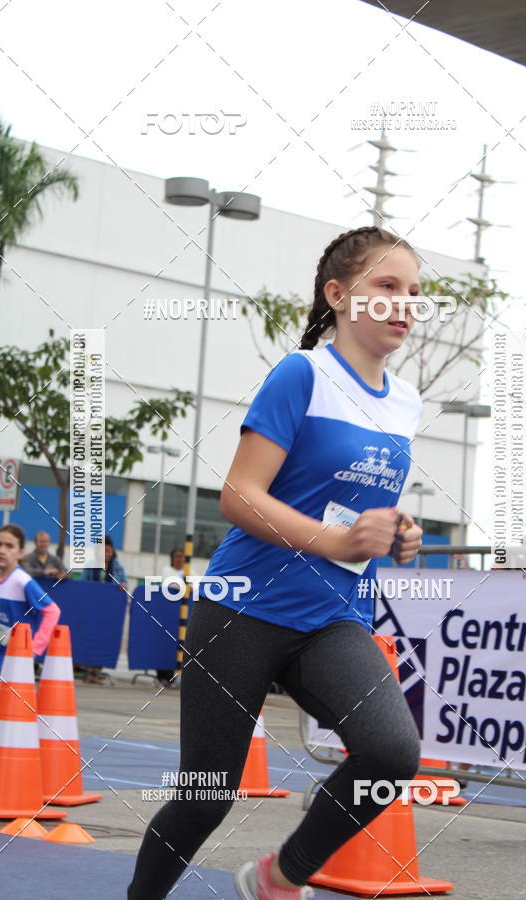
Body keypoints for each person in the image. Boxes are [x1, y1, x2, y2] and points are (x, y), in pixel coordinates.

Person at [127, 226, 425, 900]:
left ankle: (278, 877)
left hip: (334, 617)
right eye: (387, 286)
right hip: (243, 610)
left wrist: (398, 532)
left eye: (414, 291)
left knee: (390, 755)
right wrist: (336, 541)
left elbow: (354, 504)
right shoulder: (304, 374)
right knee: (207, 797)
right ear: (338, 294)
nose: (405, 302)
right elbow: (240, 496)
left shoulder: (406, 404)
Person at [0, 524, 61, 670]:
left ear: (21, 552)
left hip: (13, 663)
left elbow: (52, 611)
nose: (2, 550)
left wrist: (34, 648)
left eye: (9, 546)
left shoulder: (22, 580)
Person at [80, 536, 128, 683]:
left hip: (109, 612)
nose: (107, 554)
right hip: (92, 609)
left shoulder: (117, 567)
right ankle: (89, 671)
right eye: (104, 551)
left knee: (104, 639)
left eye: (109, 551)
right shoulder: (90, 565)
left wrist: (123, 586)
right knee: (90, 638)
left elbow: (124, 582)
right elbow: (83, 584)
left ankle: (98, 670)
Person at [157, 548, 197, 687]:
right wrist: (187, 587)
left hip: (186, 616)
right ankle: (163, 677)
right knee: (166, 643)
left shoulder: (189, 572)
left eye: (182, 556)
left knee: (183, 644)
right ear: (172, 558)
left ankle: (181, 676)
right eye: (176, 556)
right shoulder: (167, 570)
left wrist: (190, 587)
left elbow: (198, 585)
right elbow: (170, 583)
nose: (179, 559)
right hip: (169, 613)